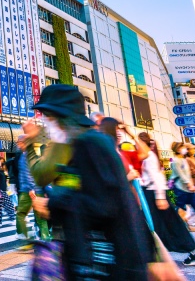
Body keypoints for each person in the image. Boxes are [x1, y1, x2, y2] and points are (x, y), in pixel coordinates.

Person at [22, 84, 154, 280]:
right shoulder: (85, 142)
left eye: (49, 118)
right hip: (100, 255)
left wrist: (53, 204)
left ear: (63, 117)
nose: (47, 124)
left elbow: (103, 204)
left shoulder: (88, 144)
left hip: (103, 259)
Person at [137, 132, 195, 266]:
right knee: (164, 224)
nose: (137, 147)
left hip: (154, 193)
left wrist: (160, 197)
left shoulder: (149, 158)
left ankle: (191, 251)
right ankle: (185, 252)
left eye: (138, 144)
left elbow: (158, 178)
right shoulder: (147, 157)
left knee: (168, 223)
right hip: (152, 193)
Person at [14, 136, 50, 244]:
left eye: (19, 142)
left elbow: (28, 173)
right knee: (40, 216)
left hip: (28, 190)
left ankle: (23, 236)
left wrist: (30, 188)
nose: (18, 144)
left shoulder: (26, 155)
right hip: (37, 189)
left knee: (20, 213)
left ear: (23, 143)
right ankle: (45, 238)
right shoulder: (35, 154)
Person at [0, 155, 14, 227]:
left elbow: (5, 178)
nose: (2, 162)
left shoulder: (1, 169)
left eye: (2, 161)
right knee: (8, 205)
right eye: (0, 160)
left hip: (2, 189)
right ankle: (11, 219)